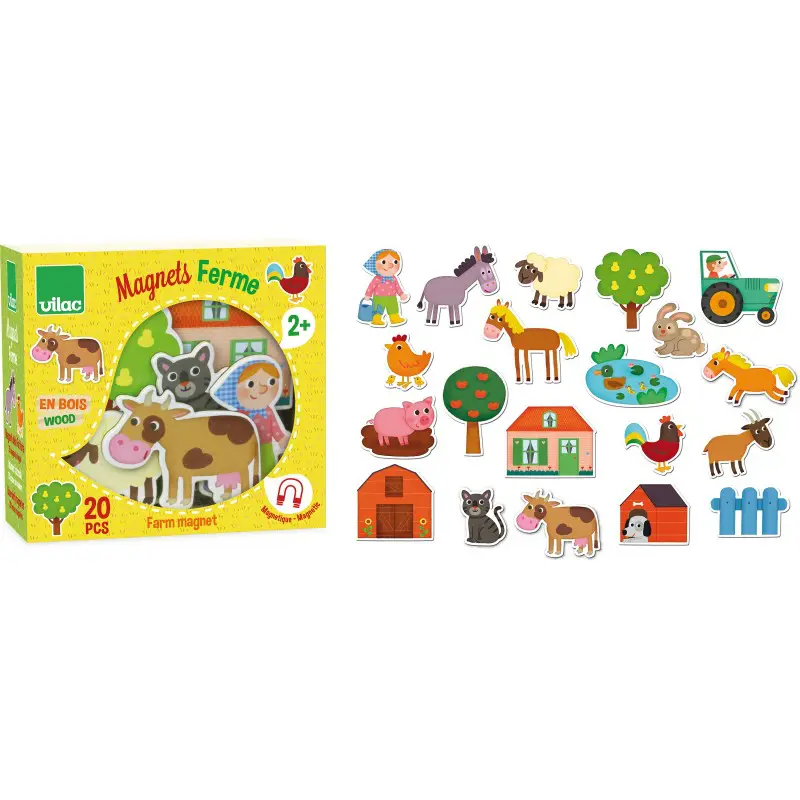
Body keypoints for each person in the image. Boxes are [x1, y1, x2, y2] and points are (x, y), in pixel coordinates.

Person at [211, 356, 290, 477]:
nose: (263, 389)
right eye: (251, 384)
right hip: (244, 447)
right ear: (234, 391)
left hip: (266, 446)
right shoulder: (240, 416)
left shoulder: (268, 411)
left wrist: (282, 440)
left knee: (266, 469)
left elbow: (275, 428)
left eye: (271, 382)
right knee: (247, 470)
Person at [361, 249, 409, 327]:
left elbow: (398, 287)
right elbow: (371, 287)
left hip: (392, 298)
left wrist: (401, 294)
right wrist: (368, 295)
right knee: (378, 309)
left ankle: (394, 318)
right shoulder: (377, 279)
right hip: (379, 298)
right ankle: (376, 319)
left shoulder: (393, 278)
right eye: (384, 262)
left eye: (395, 262)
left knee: (393, 308)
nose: (390, 265)